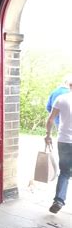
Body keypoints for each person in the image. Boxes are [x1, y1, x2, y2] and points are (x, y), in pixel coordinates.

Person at [45, 79, 72, 214]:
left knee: (65, 172)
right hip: (65, 141)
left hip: (64, 141)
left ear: (69, 85)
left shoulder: (61, 99)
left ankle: (59, 200)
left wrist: (48, 135)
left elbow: (50, 119)